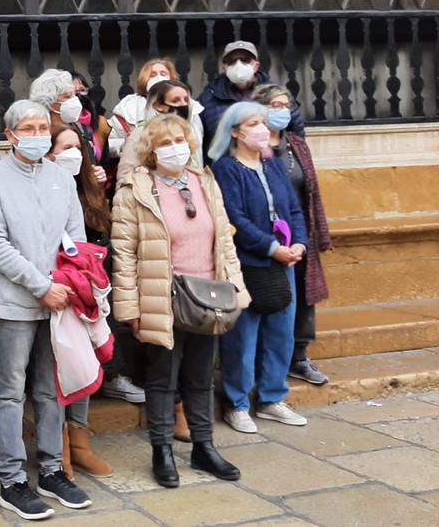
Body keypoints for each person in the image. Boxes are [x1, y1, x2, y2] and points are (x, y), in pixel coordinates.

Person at [111, 114, 249, 488]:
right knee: (162, 379)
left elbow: (224, 241)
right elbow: (123, 255)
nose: (175, 147)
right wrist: (131, 308)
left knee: (201, 377)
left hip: (209, 296)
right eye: (165, 142)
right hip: (163, 297)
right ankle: (162, 452)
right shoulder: (134, 191)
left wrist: (237, 289)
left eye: (180, 139)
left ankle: (204, 447)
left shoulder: (204, 182)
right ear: (151, 151)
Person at [0, 100, 91, 520]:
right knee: (9, 391)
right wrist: (41, 285)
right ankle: (12, 479)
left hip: (59, 301)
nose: (38, 134)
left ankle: (51, 469)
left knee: (49, 389)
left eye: (43, 126)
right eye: (28, 128)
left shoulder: (61, 177)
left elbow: (75, 237)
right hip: (13, 304)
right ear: (10, 136)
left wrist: (66, 282)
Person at [209, 103, 310, 434]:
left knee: (282, 331)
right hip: (249, 263)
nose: (262, 130)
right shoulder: (226, 168)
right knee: (243, 336)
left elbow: (294, 209)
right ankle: (237, 402)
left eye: (264, 123)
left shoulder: (274, 165)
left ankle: (271, 398)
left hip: (284, 261)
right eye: (254, 123)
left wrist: (299, 244)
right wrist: (270, 248)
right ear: (236, 131)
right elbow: (234, 217)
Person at [42, 122, 120, 479]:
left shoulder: (91, 189)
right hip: (54, 289)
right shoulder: (41, 188)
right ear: (49, 152)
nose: (71, 153)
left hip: (89, 292)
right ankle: (58, 450)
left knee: (86, 365)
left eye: (77, 147)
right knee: (57, 371)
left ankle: (81, 443)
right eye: (63, 147)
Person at [252, 84, 334, 386]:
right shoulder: (253, 145)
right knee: (271, 298)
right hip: (266, 237)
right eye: (274, 105)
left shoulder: (297, 143)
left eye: (286, 105)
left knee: (304, 294)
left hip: (301, 233)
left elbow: (311, 190)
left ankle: (299, 357)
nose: (281, 111)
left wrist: (315, 235)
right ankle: (268, 361)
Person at [199, 41, 305, 150]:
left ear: (256, 65)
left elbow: (297, 132)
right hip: (224, 164)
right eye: (231, 61)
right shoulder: (208, 98)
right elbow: (201, 139)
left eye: (245, 59)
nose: (238, 64)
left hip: (271, 162)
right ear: (225, 66)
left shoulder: (277, 95)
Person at [29, 69, 107, 186]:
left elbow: (89, 166)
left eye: (74, 95)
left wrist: (96, 175)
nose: (75, 100)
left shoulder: (81, 129)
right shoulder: (37, 135)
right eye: (67, 97)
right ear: (50, 103)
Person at [116, 81, 204, 181]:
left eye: (186, 100)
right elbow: (125, 175)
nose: (183, 105)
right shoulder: (141, 133)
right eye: (175, 101)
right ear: (158, 106)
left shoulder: (190, 129)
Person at [71, 72, 110, 166]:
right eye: (73, 92)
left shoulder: (100, 123)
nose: (78, 95)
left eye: (82, 90)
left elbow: (104, 160)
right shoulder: (60, 124)